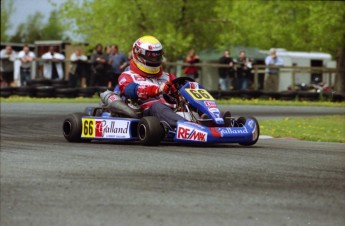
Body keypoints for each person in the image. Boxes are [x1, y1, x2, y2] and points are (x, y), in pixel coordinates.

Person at [118, 35, 186, 128]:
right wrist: (156, 90)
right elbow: (129, 90)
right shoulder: (128, 75)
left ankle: (207, 122)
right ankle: (186, 126)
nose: (154, 60)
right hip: (147, 113)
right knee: (157, 106)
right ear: (138, 54)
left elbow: (180, 90)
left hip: (173, 110)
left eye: (157, 56)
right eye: (150, 56)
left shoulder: (168, 76)